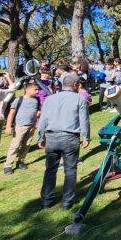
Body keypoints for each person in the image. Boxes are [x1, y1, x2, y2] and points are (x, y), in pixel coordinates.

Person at [38, 74, 90, 209]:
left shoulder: (49, 99)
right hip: (70, 138)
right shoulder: (80, 99)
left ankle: (46, 200)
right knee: (70, 170)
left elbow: (43, 119)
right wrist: (86, 136)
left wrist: (40, 136)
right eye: (78, 84)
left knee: (50, 170)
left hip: (51, 137)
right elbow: (84, 120)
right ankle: (67, 202)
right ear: (75, 85)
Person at [3, 81, 41, 175]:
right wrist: (8, 126)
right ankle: (8, 165)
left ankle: (21, 161)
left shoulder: (36, 100)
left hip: (31, 126)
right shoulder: (19, 100)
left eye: (38, 89)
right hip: (20, 126)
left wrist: (36, 122)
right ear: (27, 89)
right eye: (35, 89)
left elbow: (36, 113)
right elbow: (11, 114)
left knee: (26, 144)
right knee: (15, 146)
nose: (37, 91)